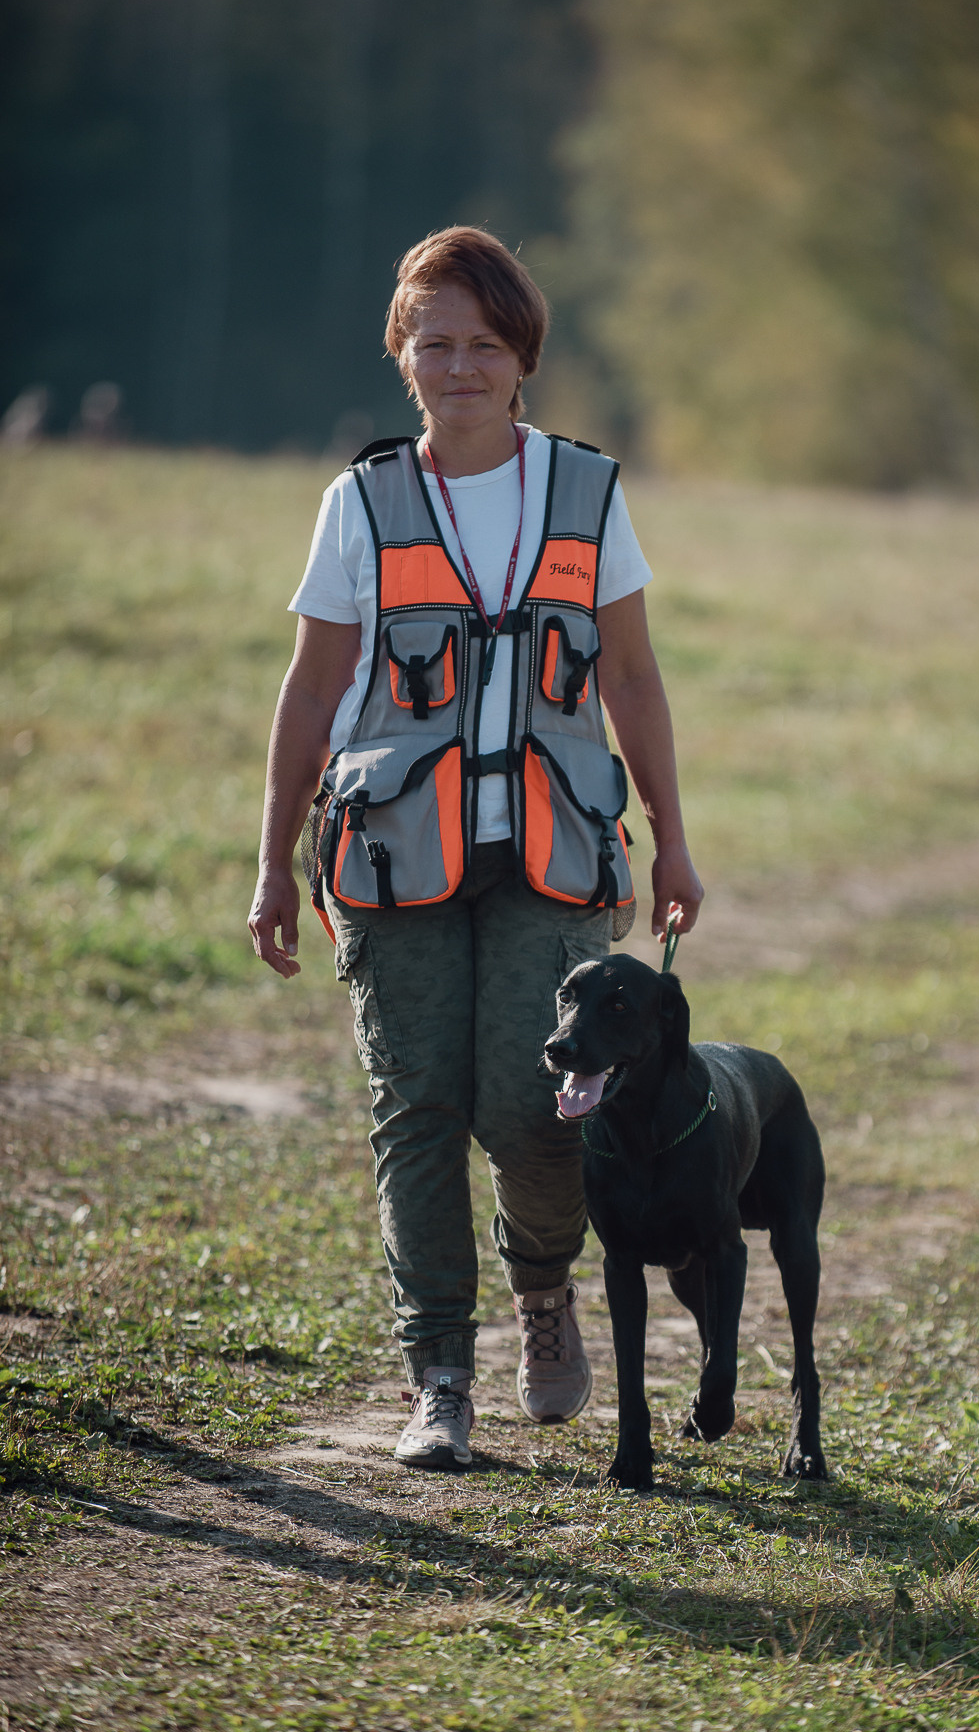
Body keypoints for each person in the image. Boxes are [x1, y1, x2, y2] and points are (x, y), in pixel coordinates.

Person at [248, 226, 703, 1470]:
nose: (458, 366)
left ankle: (543, 1294)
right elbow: (310, 689)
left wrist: (672, 841)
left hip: (556, 853)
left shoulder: (587, 493)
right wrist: (270, 860)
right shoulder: (361, 501)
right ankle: (437, 1376)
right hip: (392, 854)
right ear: (402, 355)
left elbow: (632, 674)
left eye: (483, 345)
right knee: (416, 1109)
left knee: (535, 1105)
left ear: (522, 360)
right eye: (433, 343)